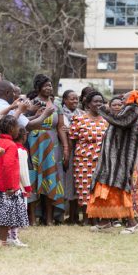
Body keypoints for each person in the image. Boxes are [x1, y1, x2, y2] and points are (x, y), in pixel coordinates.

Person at [87, 91, 138, 234]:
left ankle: (132, 224)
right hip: (112, 159)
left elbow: (121, 122)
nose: (122, 97)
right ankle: (105, 221)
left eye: (125, 96)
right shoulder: (127, 110)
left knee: (119, 190)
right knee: (106, 188)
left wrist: (103, 111)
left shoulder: (133, 110)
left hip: (121, 160)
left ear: (132, 98)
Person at [27, 74, 69, 225]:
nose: (48, 88)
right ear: (38, 87)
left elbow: (60, 128)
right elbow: (23, 124)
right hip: (34, 144)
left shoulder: (56, 105)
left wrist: (65, 148)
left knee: (51, 178)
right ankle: (32, 218)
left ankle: (49, 218)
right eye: (45, 85)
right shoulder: (31, 103)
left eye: (50, 85)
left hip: (53, 145)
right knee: (33, 179)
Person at [68, 91, 108, 225]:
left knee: (99, 189)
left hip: (102, 161)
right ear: (88, 104)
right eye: (95, 101)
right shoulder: (79, 119)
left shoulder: (106, 120)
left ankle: (97, 217)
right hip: (83, 161)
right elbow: (72, 140)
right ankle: (87, 218)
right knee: (84, 189)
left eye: (100, 101)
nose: (98, 104)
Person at [0, 116, 28, 246]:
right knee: (6, 216)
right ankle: (4, 241)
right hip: (6, 187)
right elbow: (8, 166)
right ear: (12, 129)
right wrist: (10, 186)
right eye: (17, 127)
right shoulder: (11, 145)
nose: (19, 130)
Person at [61, 90, 84, 224]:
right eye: (71, 99)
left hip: (80, 151)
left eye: (76, 99)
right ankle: (65, 214)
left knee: (77, 182)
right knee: (67, 181)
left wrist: (71, 131)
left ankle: (75, 215)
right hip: (64, 150)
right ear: (64, 100)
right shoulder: (60, 114)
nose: (75, 101)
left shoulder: (81, 114)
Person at [9, 127, 32, 247]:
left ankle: (9, 235)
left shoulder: (10, 147)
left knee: (11, 211)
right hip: (20, 186)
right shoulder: (21, 151)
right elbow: (23, 171)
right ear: (24, 136)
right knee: (19, 212)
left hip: (10, 185)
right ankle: (14, 237)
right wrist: (28, 187)